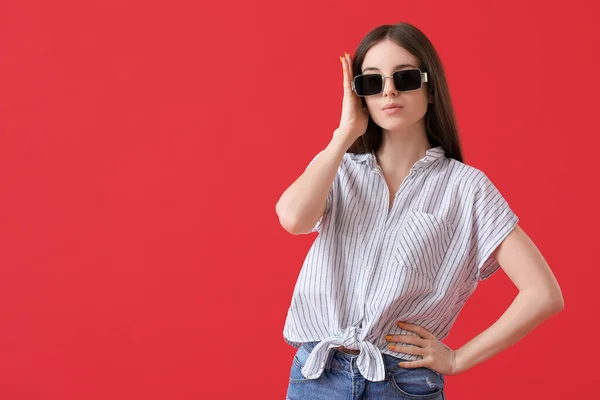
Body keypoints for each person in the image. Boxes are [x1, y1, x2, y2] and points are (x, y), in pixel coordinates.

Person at [275, 22, 564, 400]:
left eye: (405, 77)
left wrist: (458, 359)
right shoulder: (339, 168)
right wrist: (344, 134)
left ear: (430, 88)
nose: (389, 90)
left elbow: (544, 293)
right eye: (372, 82)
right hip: (316, 377)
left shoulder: (465, 188)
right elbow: (294, 220)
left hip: (401, 384)